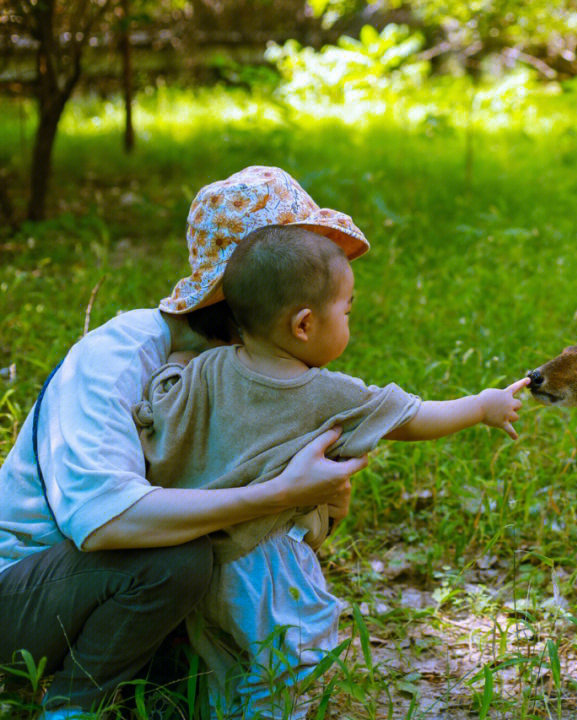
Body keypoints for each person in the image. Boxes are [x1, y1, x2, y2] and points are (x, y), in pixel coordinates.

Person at [0, 166, 372, 719]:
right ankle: (72, 708)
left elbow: (257, 530)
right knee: (175, 562)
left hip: (107, 594)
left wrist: (317, 507)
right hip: (24, 595)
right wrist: (276, 493)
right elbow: (106, 521)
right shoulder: (120, 356)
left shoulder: (256, 372)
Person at [134, 224, 527, 718]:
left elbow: (161, 409)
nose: (350, 322)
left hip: (200, 561)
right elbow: (414, 417)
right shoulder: (324, 394)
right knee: (293, 662)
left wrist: (173, 365)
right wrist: (483, 405)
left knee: (223, 671)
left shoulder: (207, 369)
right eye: (347, 310)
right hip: (267, 565)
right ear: (303, 325)